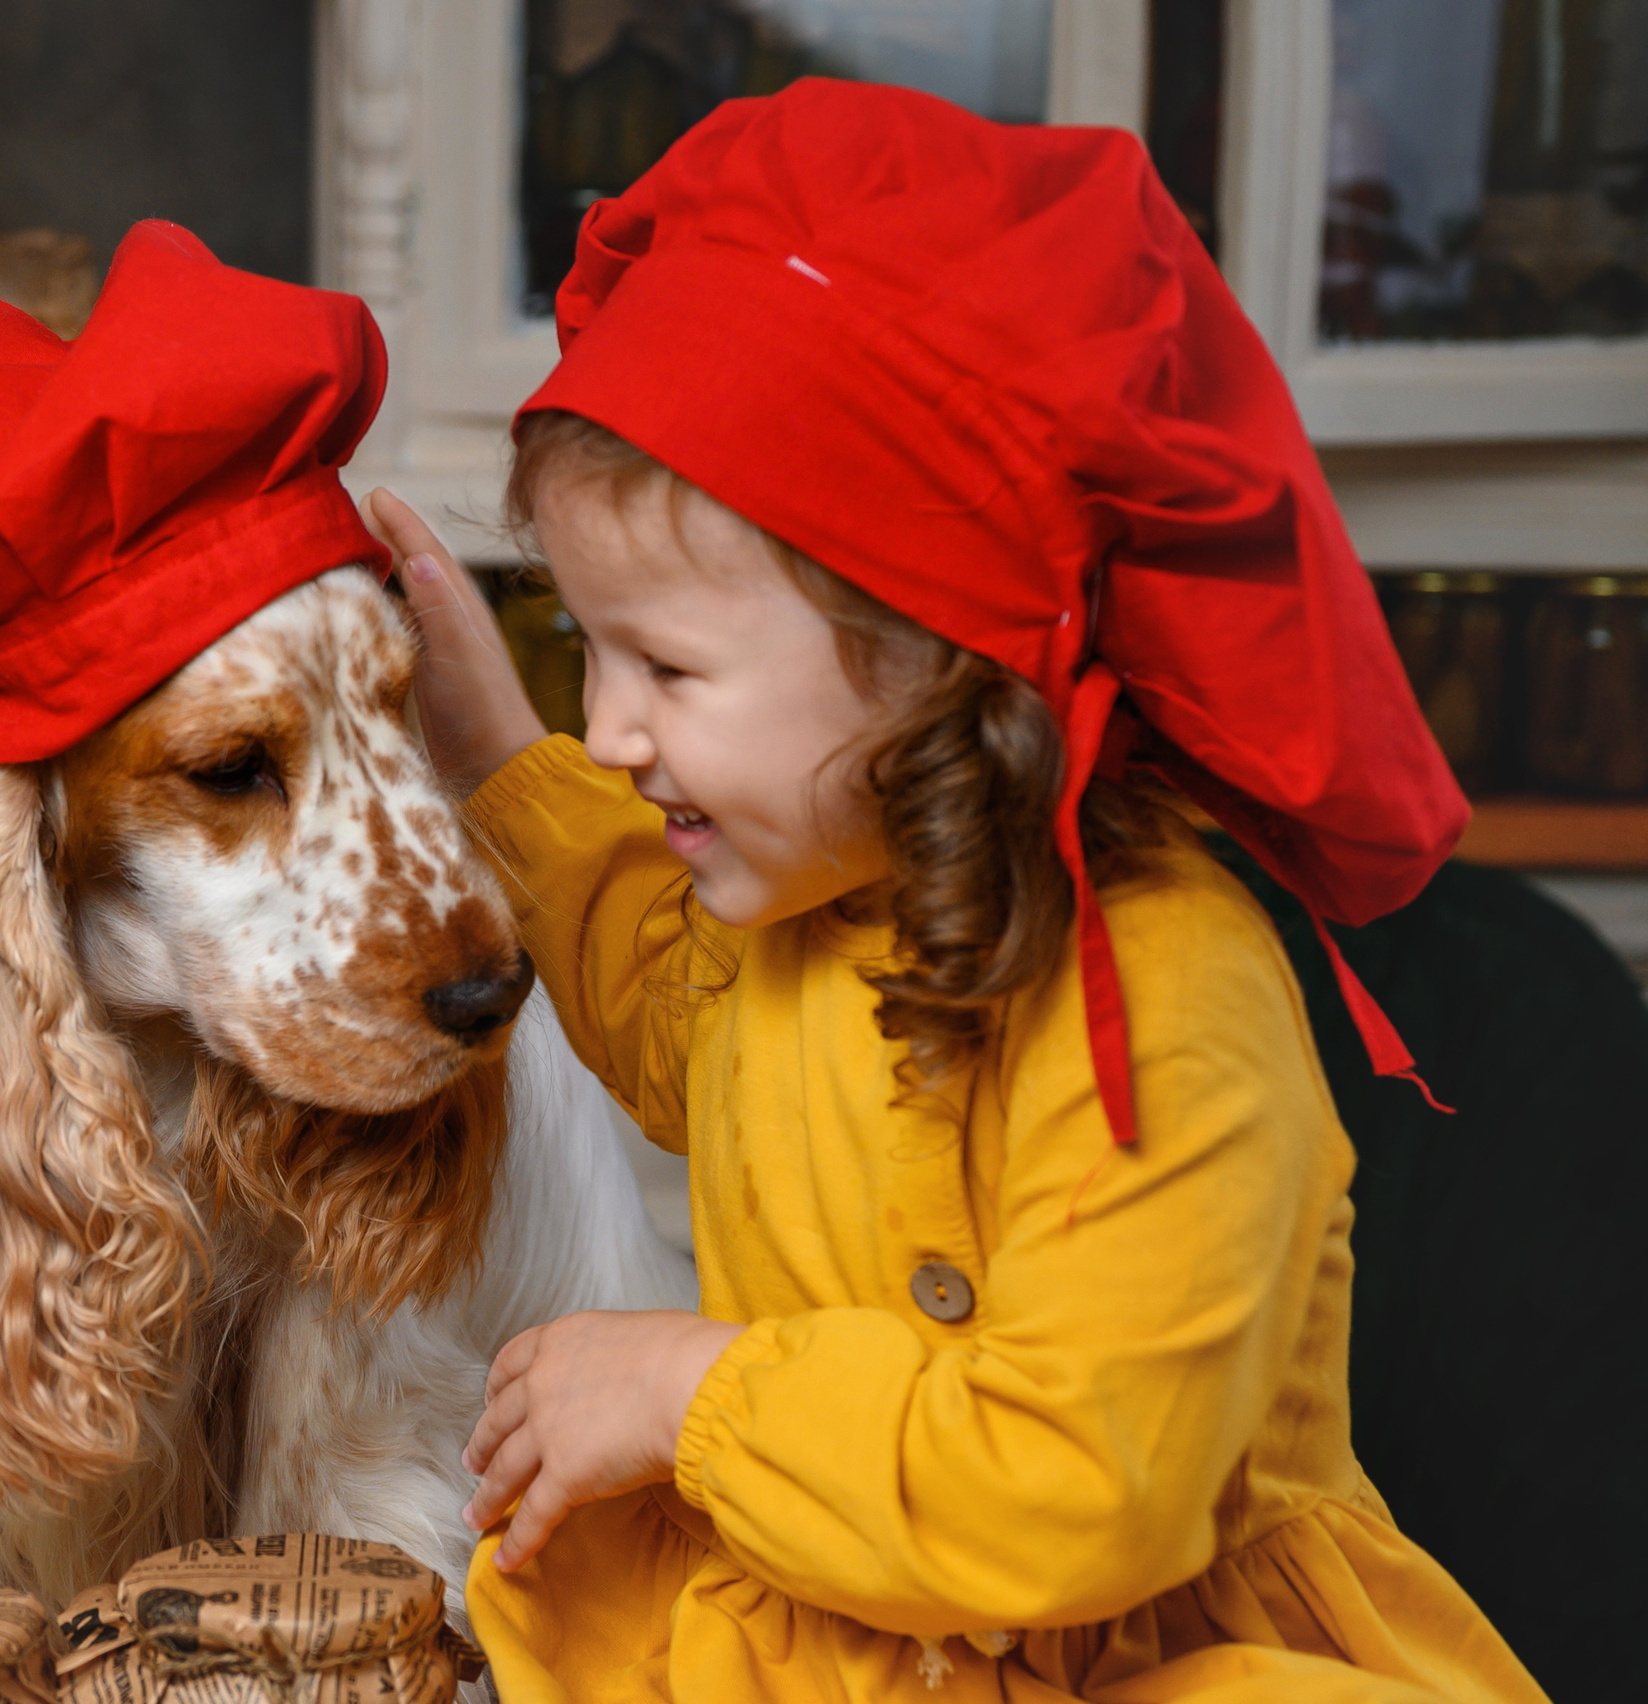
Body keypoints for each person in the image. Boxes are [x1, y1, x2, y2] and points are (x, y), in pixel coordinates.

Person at [370, 80, 1547, 1703]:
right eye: (588, 648)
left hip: (1149, 1651)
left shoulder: (1166, 990)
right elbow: (659, 1009)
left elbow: (1086, 1482)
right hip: (867, 1632)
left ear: (926, 649)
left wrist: (692, 1395)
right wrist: (491, 746)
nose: (610, 726)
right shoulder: (801, 900)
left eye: (668, 663)